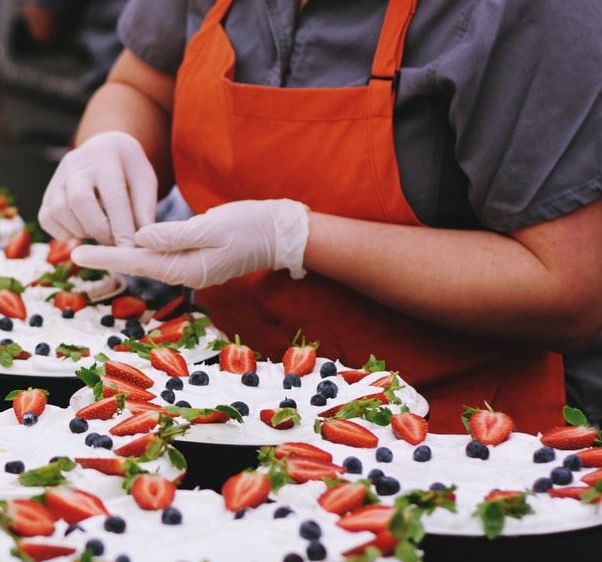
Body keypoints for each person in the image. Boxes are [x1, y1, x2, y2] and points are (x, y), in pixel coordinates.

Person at [38, 0, 602, 432]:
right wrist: (110, 143)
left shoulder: (526, 14)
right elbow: (140, 86)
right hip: (216, 401)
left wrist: (296, 238)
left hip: (452, 438)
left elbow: (566, 291)